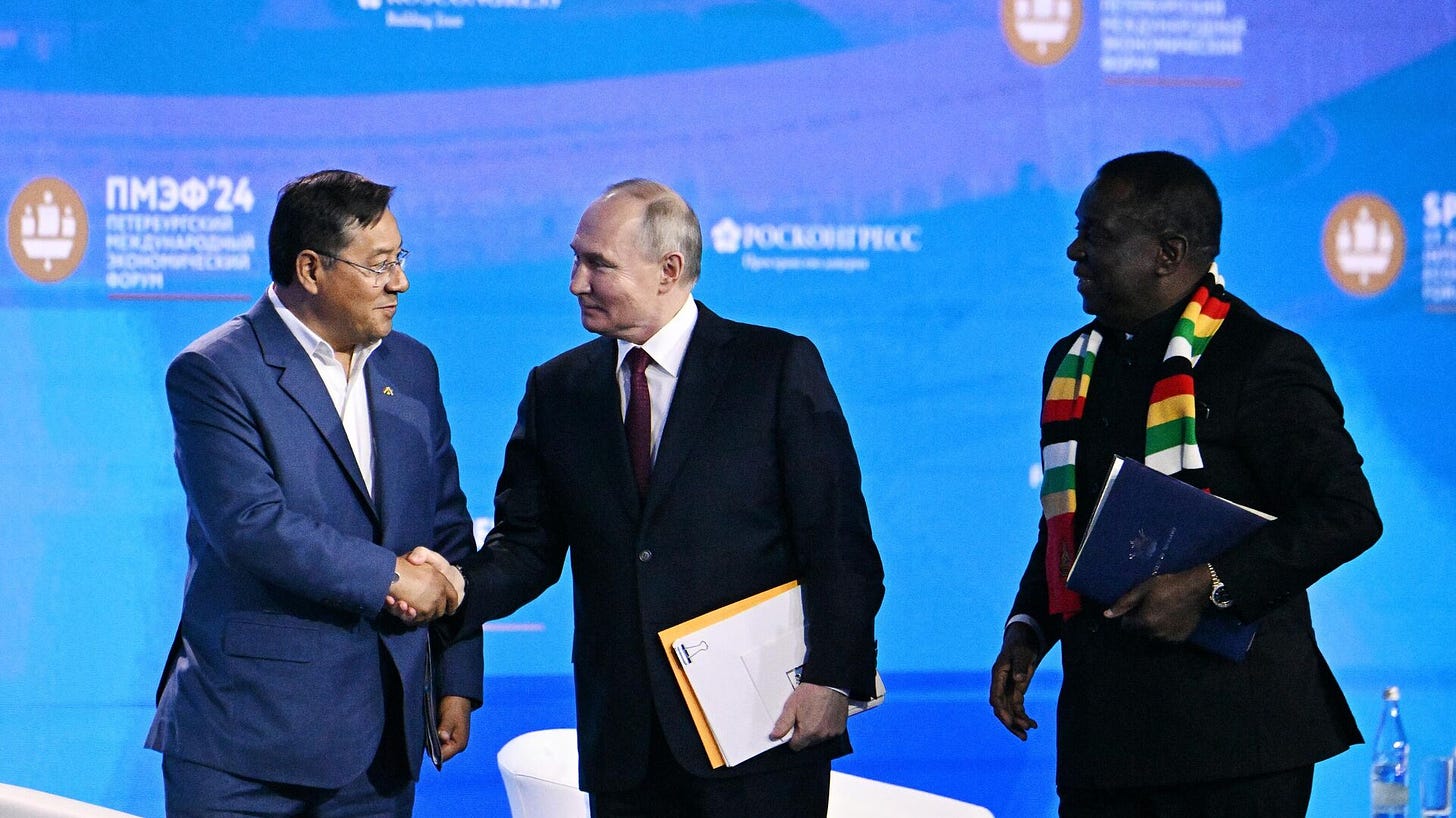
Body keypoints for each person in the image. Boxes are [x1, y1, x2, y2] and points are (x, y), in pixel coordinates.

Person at [408, 178, 885, 816]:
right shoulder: (559, 389)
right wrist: (456, 591)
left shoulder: (774, 367)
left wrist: (832, 677)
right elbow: (528, 545)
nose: (576, 281)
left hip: (762, 733)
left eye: (597, 264)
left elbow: (838, 542)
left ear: (669, 270)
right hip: (625, 743)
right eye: (575, 259)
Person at [989, 151, 1382, 816]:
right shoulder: (1072, 363)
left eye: (1097, 235)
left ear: (1169, 253)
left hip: (1234, 741)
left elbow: (1346, 513)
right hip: (1105, 741)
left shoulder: (1262, 358)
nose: (1074, 250)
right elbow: (1070, 522)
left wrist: (1210, 585)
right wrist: (1028, 626)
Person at [146, 169, 482, 817]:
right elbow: (251, 524)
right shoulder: (215, 371)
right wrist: (392, 577)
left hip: (382, 749)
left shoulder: (412, 366)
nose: (400, 282)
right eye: (380, 265)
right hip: (246, 748)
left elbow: (445, 527)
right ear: (311, 269)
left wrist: (457, 675)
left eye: (400, 260)